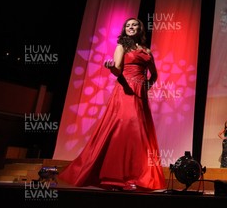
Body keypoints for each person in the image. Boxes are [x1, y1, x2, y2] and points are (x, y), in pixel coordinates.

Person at [58, 18, 166, 191]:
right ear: (125, 30)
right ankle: (114, 176)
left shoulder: (147, 50)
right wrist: (111, 68)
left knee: (139, 133)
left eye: (134, 25)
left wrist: (146, 86)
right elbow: (117, 69)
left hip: (140, 94)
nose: (131, 27)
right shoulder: (121, 46)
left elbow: (154, 75)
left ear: (140, 29)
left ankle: (136, 177)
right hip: (125, 90)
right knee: (122, 127)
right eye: (128, 25)